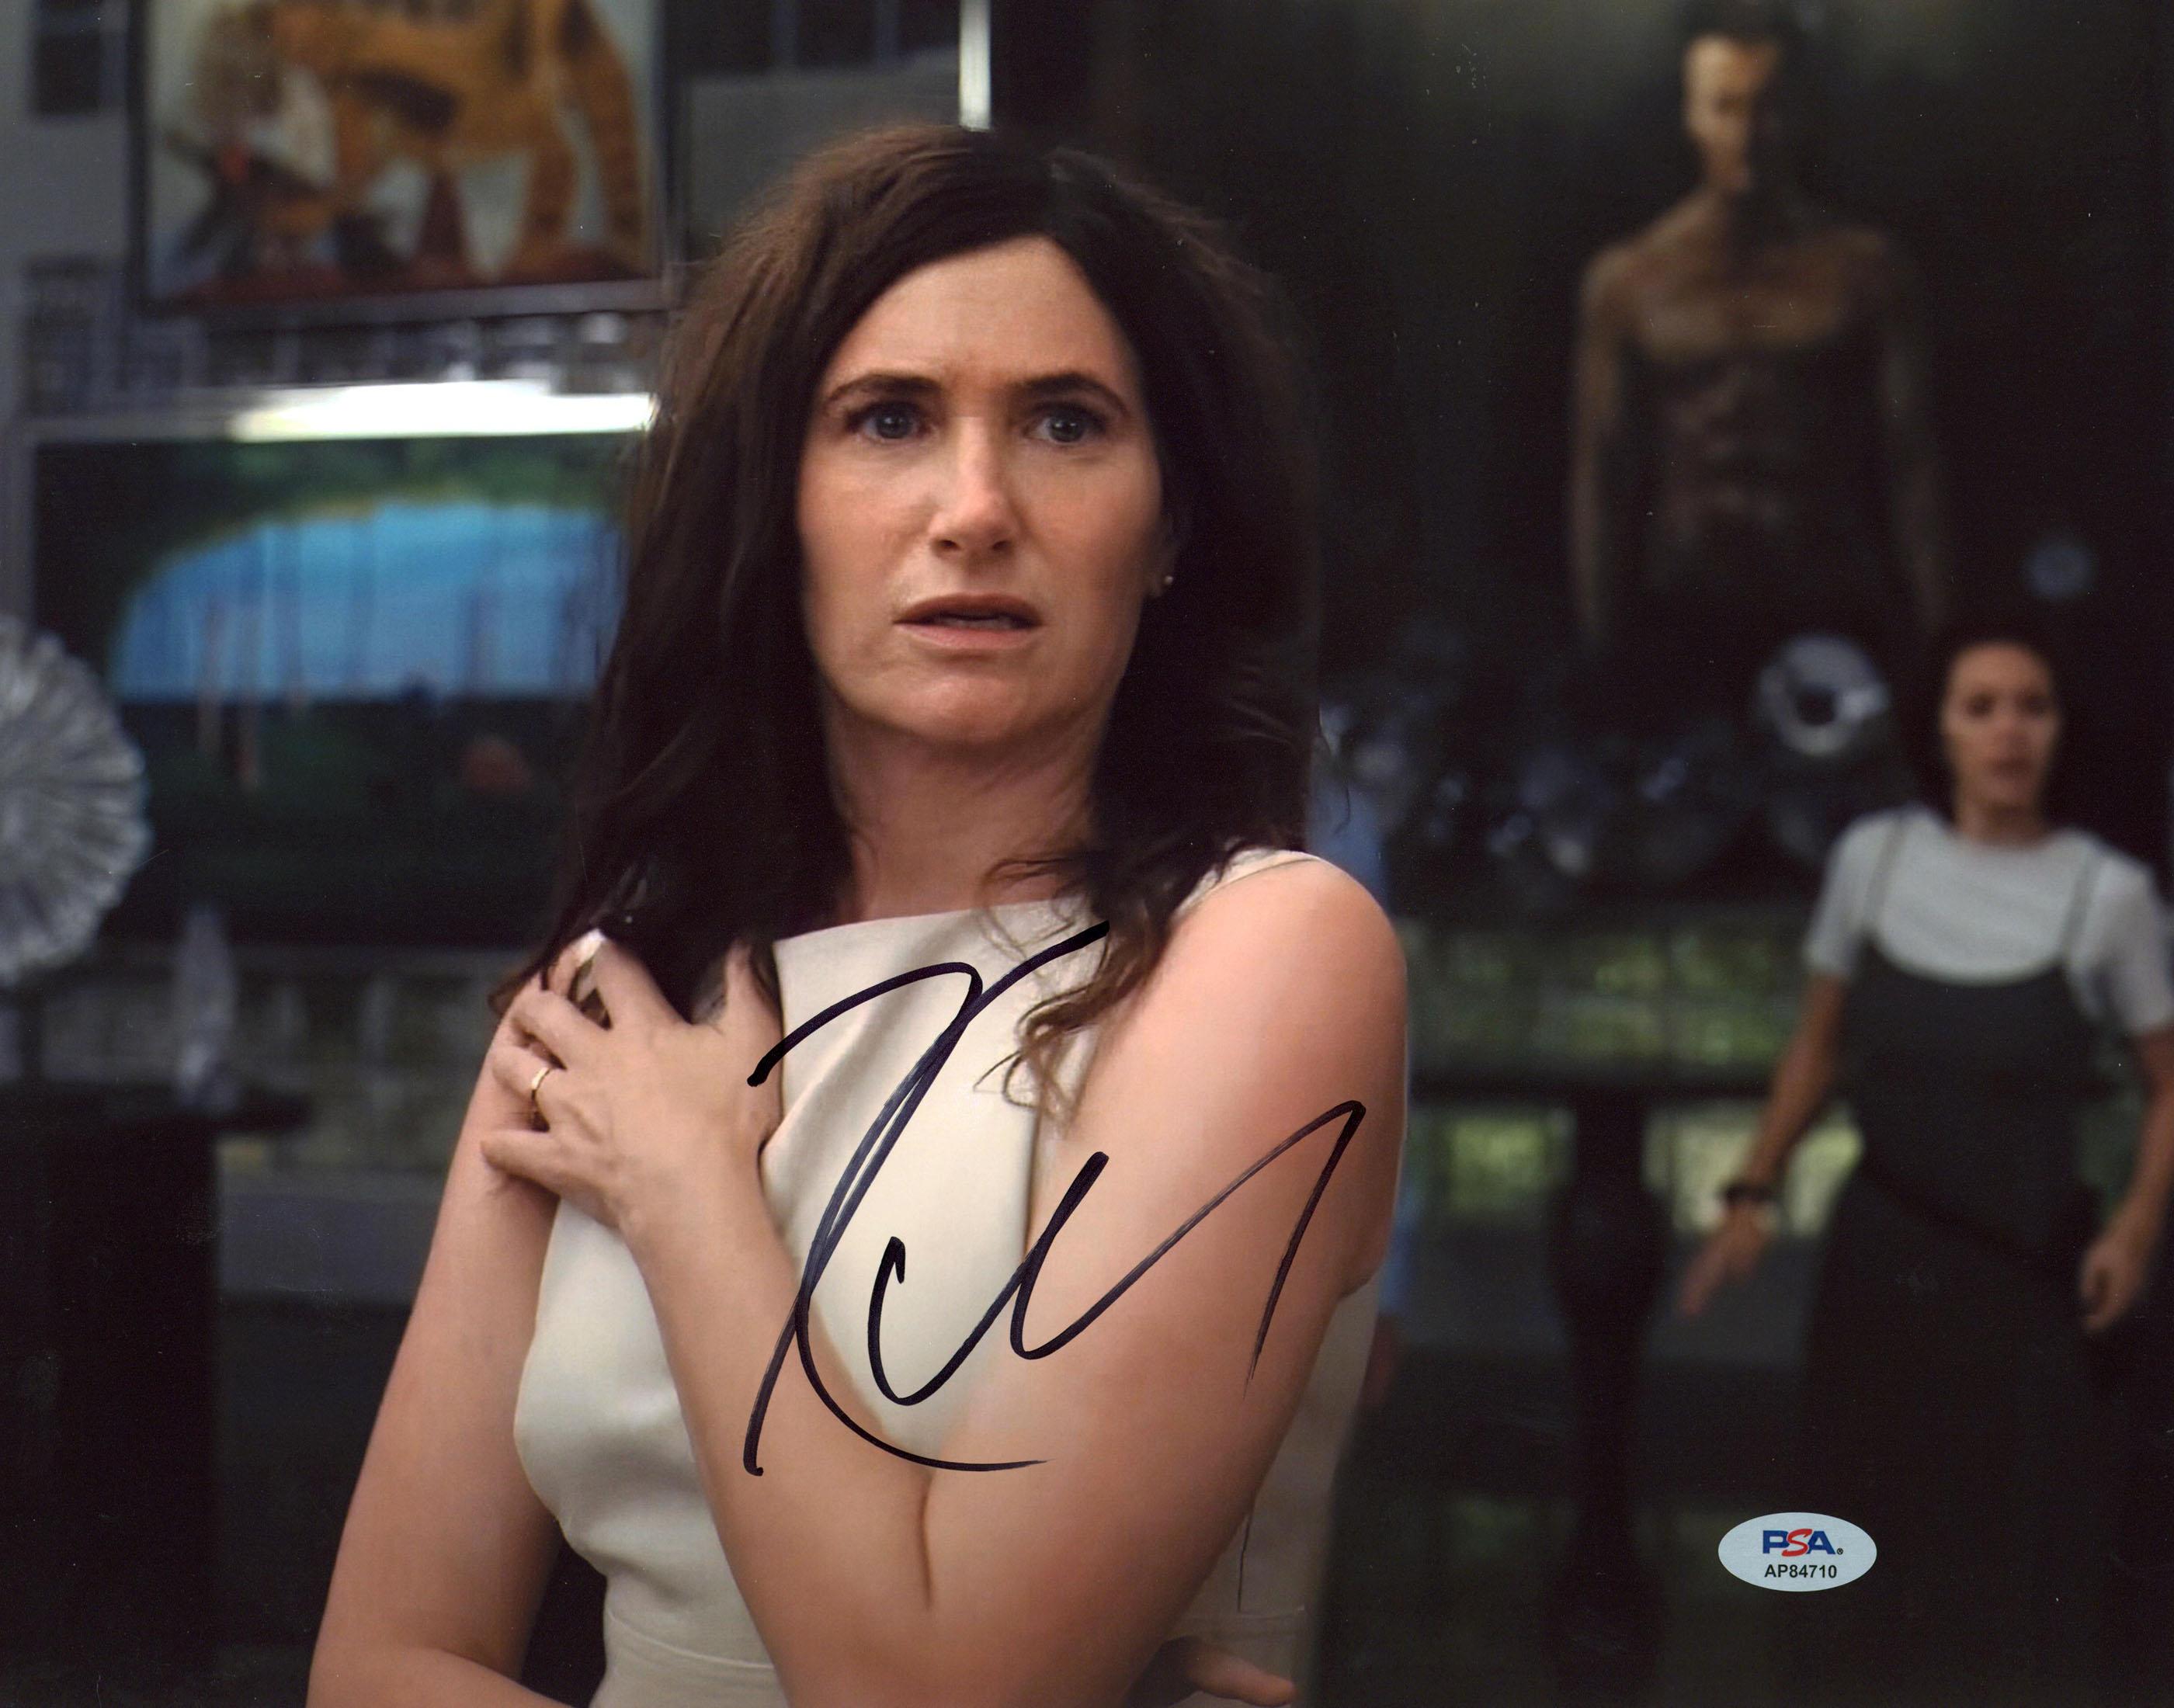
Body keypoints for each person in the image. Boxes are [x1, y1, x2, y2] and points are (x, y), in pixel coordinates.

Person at [307, 124, 1405, 1708]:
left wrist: (690, 1188)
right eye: (888, 419)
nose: (975, 507)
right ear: (778, 504)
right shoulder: (622, 997)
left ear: (1168, 524)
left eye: (1065, 423)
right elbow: (377, 1664)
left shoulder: (1264, 956)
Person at [1679, 619, 2174, 1700]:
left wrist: (2134, 1232)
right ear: (1938, 730)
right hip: (1882, 1262)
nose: (2008, 732)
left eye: (2031, 707)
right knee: (1855, 1552)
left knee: (2004, 1562)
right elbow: (1818, 1046)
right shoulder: (1876, 860)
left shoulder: (2109, 895)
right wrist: (1752, 1191)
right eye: (1980, 707)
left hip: (2024, 1279)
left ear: (2060, 730)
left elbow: (2169, 1084)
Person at [1569, 0, 1948, 719]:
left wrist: (1941, 644)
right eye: (1725, 107)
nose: (1746, 134)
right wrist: (1601, 648)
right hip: (1682, 610)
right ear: (1692, 116)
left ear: (1799, 116)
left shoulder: (1865, 273)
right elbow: (1602, 474)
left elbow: (1912, 470)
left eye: (1767, 108)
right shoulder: (1631, 280)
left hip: (1828, 602)